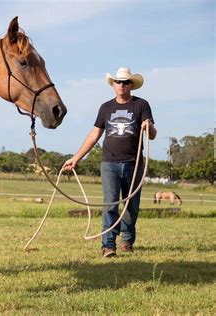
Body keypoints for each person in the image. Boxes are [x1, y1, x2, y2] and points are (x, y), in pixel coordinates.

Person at [63, 67, 157, 257]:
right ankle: (108, 245)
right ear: (113, 85)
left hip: (133, 163)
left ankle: (127, 241)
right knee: (110, 204)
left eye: (125, 82)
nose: (121, 85)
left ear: (131, 85)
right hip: (109, 164)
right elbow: (94, 135)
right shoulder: (106, 107)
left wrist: (149, 127)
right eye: (118, 82)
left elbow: (152, 136)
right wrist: (76, 158)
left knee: (131, 206)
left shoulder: (141, 105)